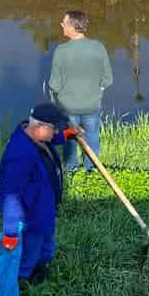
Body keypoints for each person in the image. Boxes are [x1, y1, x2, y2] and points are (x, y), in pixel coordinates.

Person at [0, 102, 79, 284]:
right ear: (40, 127)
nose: (56, 133)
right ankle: (24, 282)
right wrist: (10, 233)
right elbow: (10, 196)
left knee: (47, 243)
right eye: (55, 129)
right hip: (32, 217)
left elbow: (50, 140)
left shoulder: (35, 137)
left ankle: (44, 268)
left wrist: (66, 135)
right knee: (31, 252)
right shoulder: (19, 156)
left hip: (45, 210)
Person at [49, 9, 113, 176]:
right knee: (92, 136)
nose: (61, 25)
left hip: (68, 106)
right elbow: (107, 79)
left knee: (69, 138)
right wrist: (97, 90)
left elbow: (54, 85)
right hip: (92, 104)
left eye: (64, 22)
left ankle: (71, 170)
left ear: (72, 27)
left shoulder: (61, 51)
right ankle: (91, 169)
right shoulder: (98, 47)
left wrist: (56, 94)